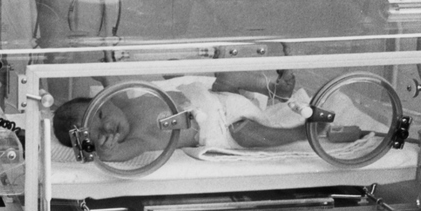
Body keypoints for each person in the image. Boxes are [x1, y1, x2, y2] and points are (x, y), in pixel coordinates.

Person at [52, 71, 307, 162]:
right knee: (247, 135)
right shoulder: (138, 139)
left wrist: (104, 71)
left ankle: (274, 90)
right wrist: (109, 152)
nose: (107, 125)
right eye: (98, 135)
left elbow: (113, 84)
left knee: (227, 77)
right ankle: (300, 132)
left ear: (105, 101)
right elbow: (120, 155)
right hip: (225, 127)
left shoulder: (121, 102)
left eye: (100, 114)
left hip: (220, 97)